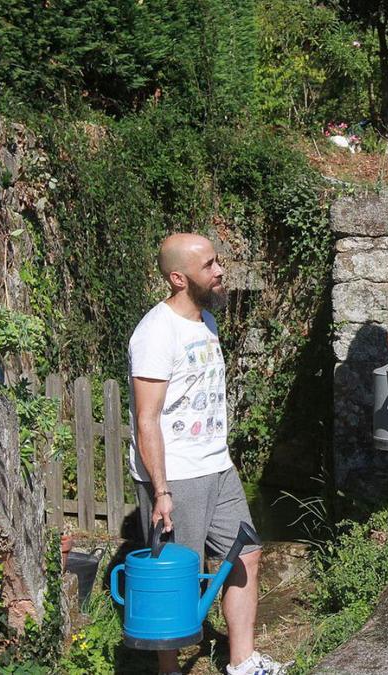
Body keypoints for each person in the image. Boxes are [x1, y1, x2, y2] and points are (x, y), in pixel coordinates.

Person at [128, 233, 288, 674]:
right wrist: (161, 491)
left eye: (218, 262)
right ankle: (168, 669)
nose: (220, 271)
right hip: (177, 476)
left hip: (217, 467)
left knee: (247, 553)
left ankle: (242, 661)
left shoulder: (206, 322)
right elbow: (147, 419)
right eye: (209, 266)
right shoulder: (155, 334)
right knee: (178, 577)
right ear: (178, 278)